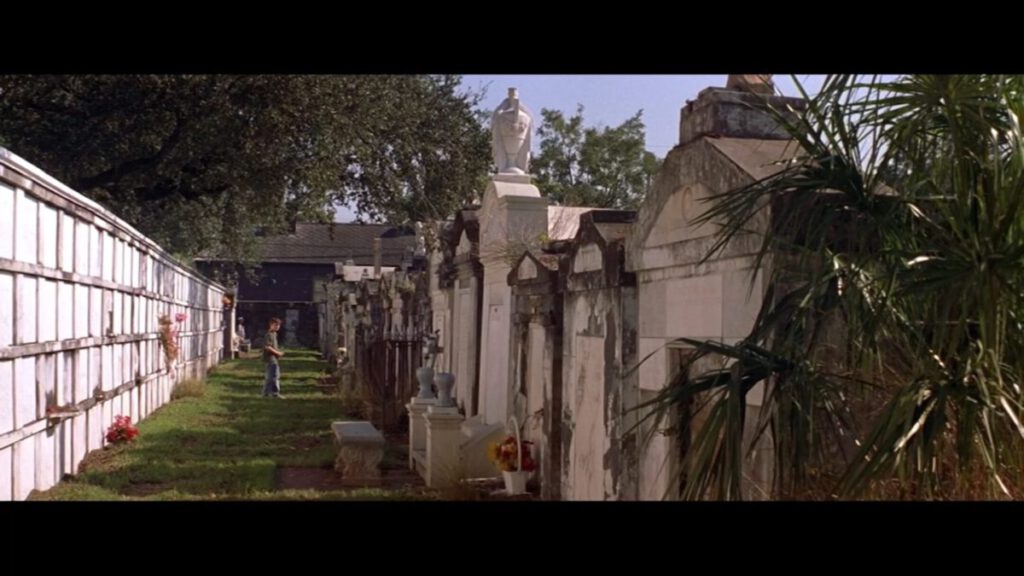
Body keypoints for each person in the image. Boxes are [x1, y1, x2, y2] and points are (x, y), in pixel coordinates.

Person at [262, 317, 285, 398]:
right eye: (275, 325)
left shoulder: (274, 334)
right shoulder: (268, 335)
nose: (277, 327)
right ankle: (274, 393)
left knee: (272, 376)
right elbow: (268, 347)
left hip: (274, 358)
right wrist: (278, 353)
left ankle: (266, 393)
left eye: (278, 325)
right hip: (270, 358)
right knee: (273, 376)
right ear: (271, 325)